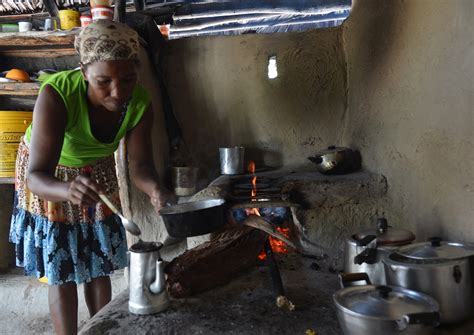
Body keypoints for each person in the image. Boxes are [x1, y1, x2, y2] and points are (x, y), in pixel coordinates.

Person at [9, 20, 171, 335]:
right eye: (103, 81)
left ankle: (102, 329)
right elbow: (36, 177)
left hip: (96, 169)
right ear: (84, 72)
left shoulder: (138, 103)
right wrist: (66, 189)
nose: (117, 92)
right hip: (50, 174)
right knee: (63, 269)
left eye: (127, 79)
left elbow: (140, 167)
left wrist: (155, 190)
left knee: (98, 265)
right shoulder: (57, 95)